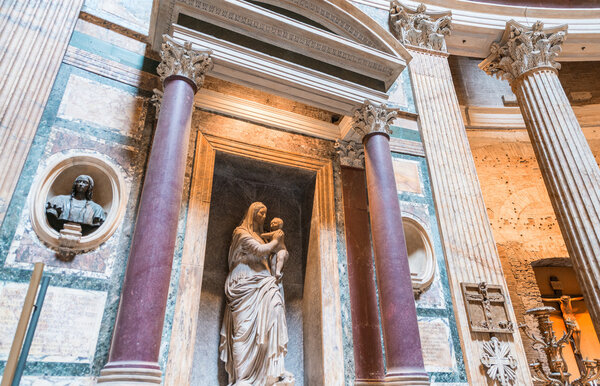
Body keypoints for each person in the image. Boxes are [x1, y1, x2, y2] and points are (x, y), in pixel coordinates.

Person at [219, 202, 294, 386]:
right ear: (252, 214)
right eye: (260, 213)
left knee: (275, 312)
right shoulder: (240, 233)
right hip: (244, 283)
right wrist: (277, 240)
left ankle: (273, 369)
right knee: (243, 330)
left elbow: (275, 253)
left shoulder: (262, 237)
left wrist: (281, 250)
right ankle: (243, 378)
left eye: (265, 214)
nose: (263, 217)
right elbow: (260, 251)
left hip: (264, 282)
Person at [261, 217, 289, 282]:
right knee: (273, 264)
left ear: (280, 225)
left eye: (275, 223)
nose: (272, 224)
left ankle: (278, 271)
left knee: (280, 258)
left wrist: (261, 234)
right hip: (274, 252)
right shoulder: (273, 233)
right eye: (271, 223)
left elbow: (268, 235)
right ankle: (274, 277)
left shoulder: (279, 232)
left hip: (282, 250)